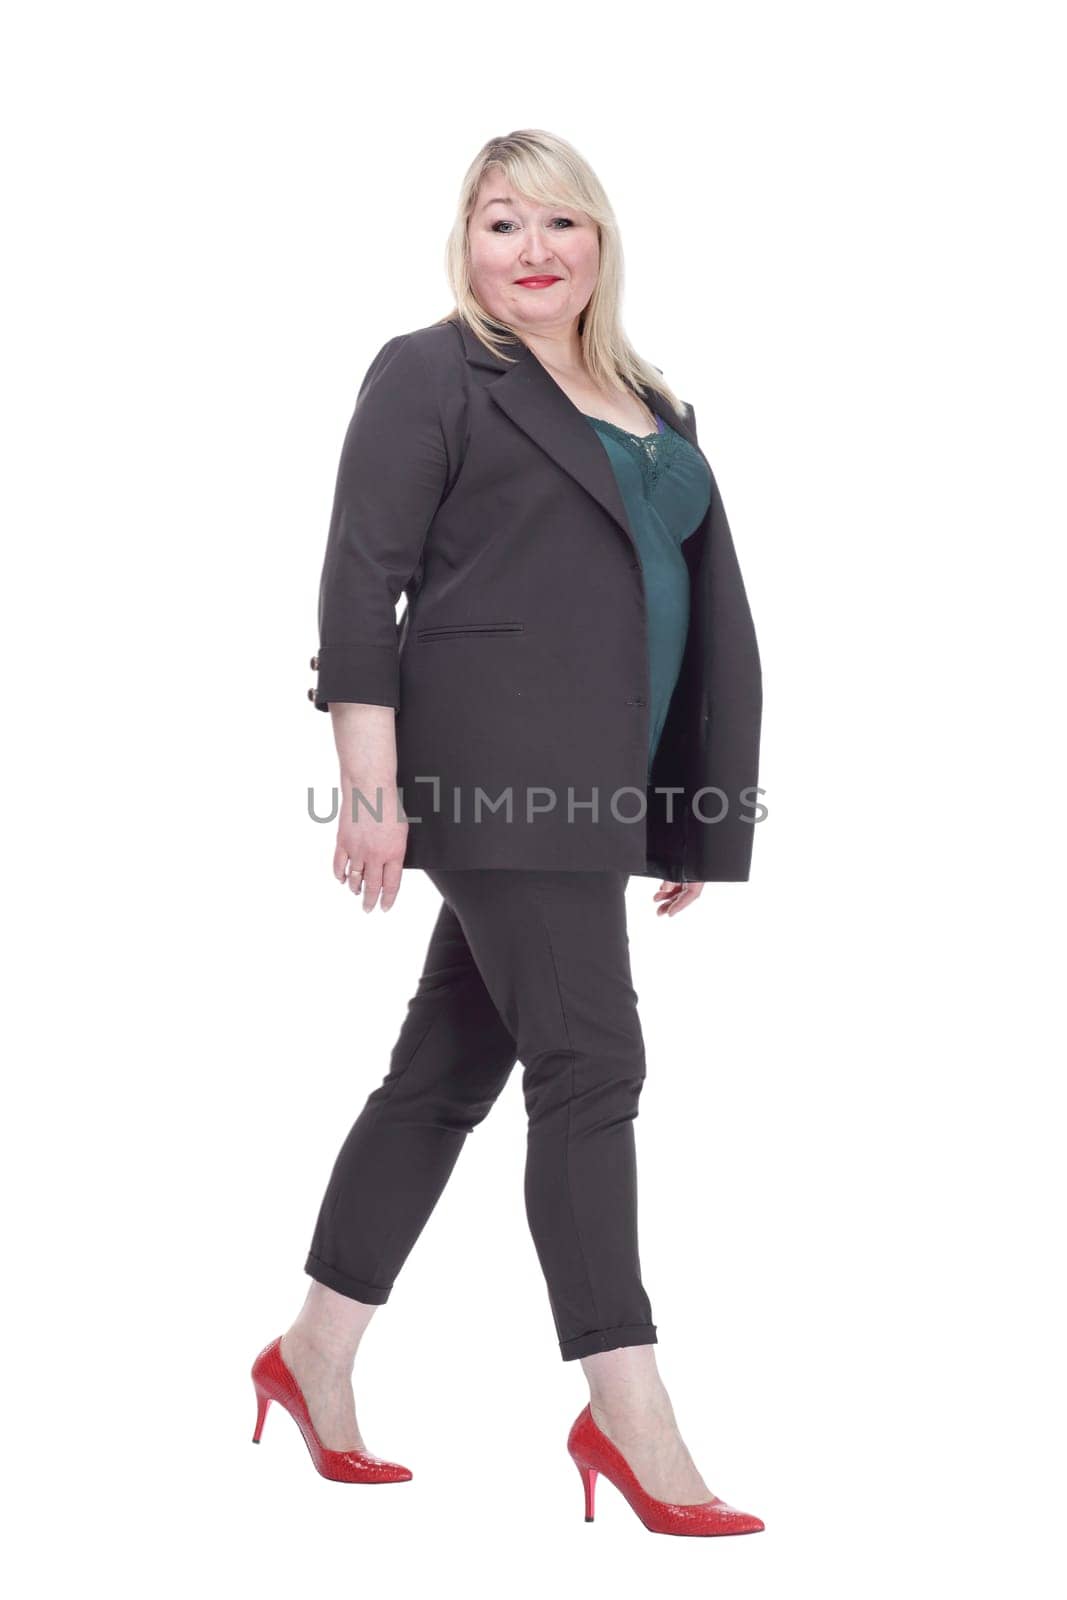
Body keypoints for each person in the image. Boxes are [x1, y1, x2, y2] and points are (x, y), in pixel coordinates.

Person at [251, 129, 765, 1537]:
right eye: (499, 224)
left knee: (445, 1070)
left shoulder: (655, 397)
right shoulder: (433, 373)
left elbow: (667, 611)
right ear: (465, 246)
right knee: (594, 1062)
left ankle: (312, 1356)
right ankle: (628, 1408)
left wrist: (680, 805)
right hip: (487, 771)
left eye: (560, 223)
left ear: (601, 241)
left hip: (599, 783)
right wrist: (371, 786)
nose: (532, 250)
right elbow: (364, 581)